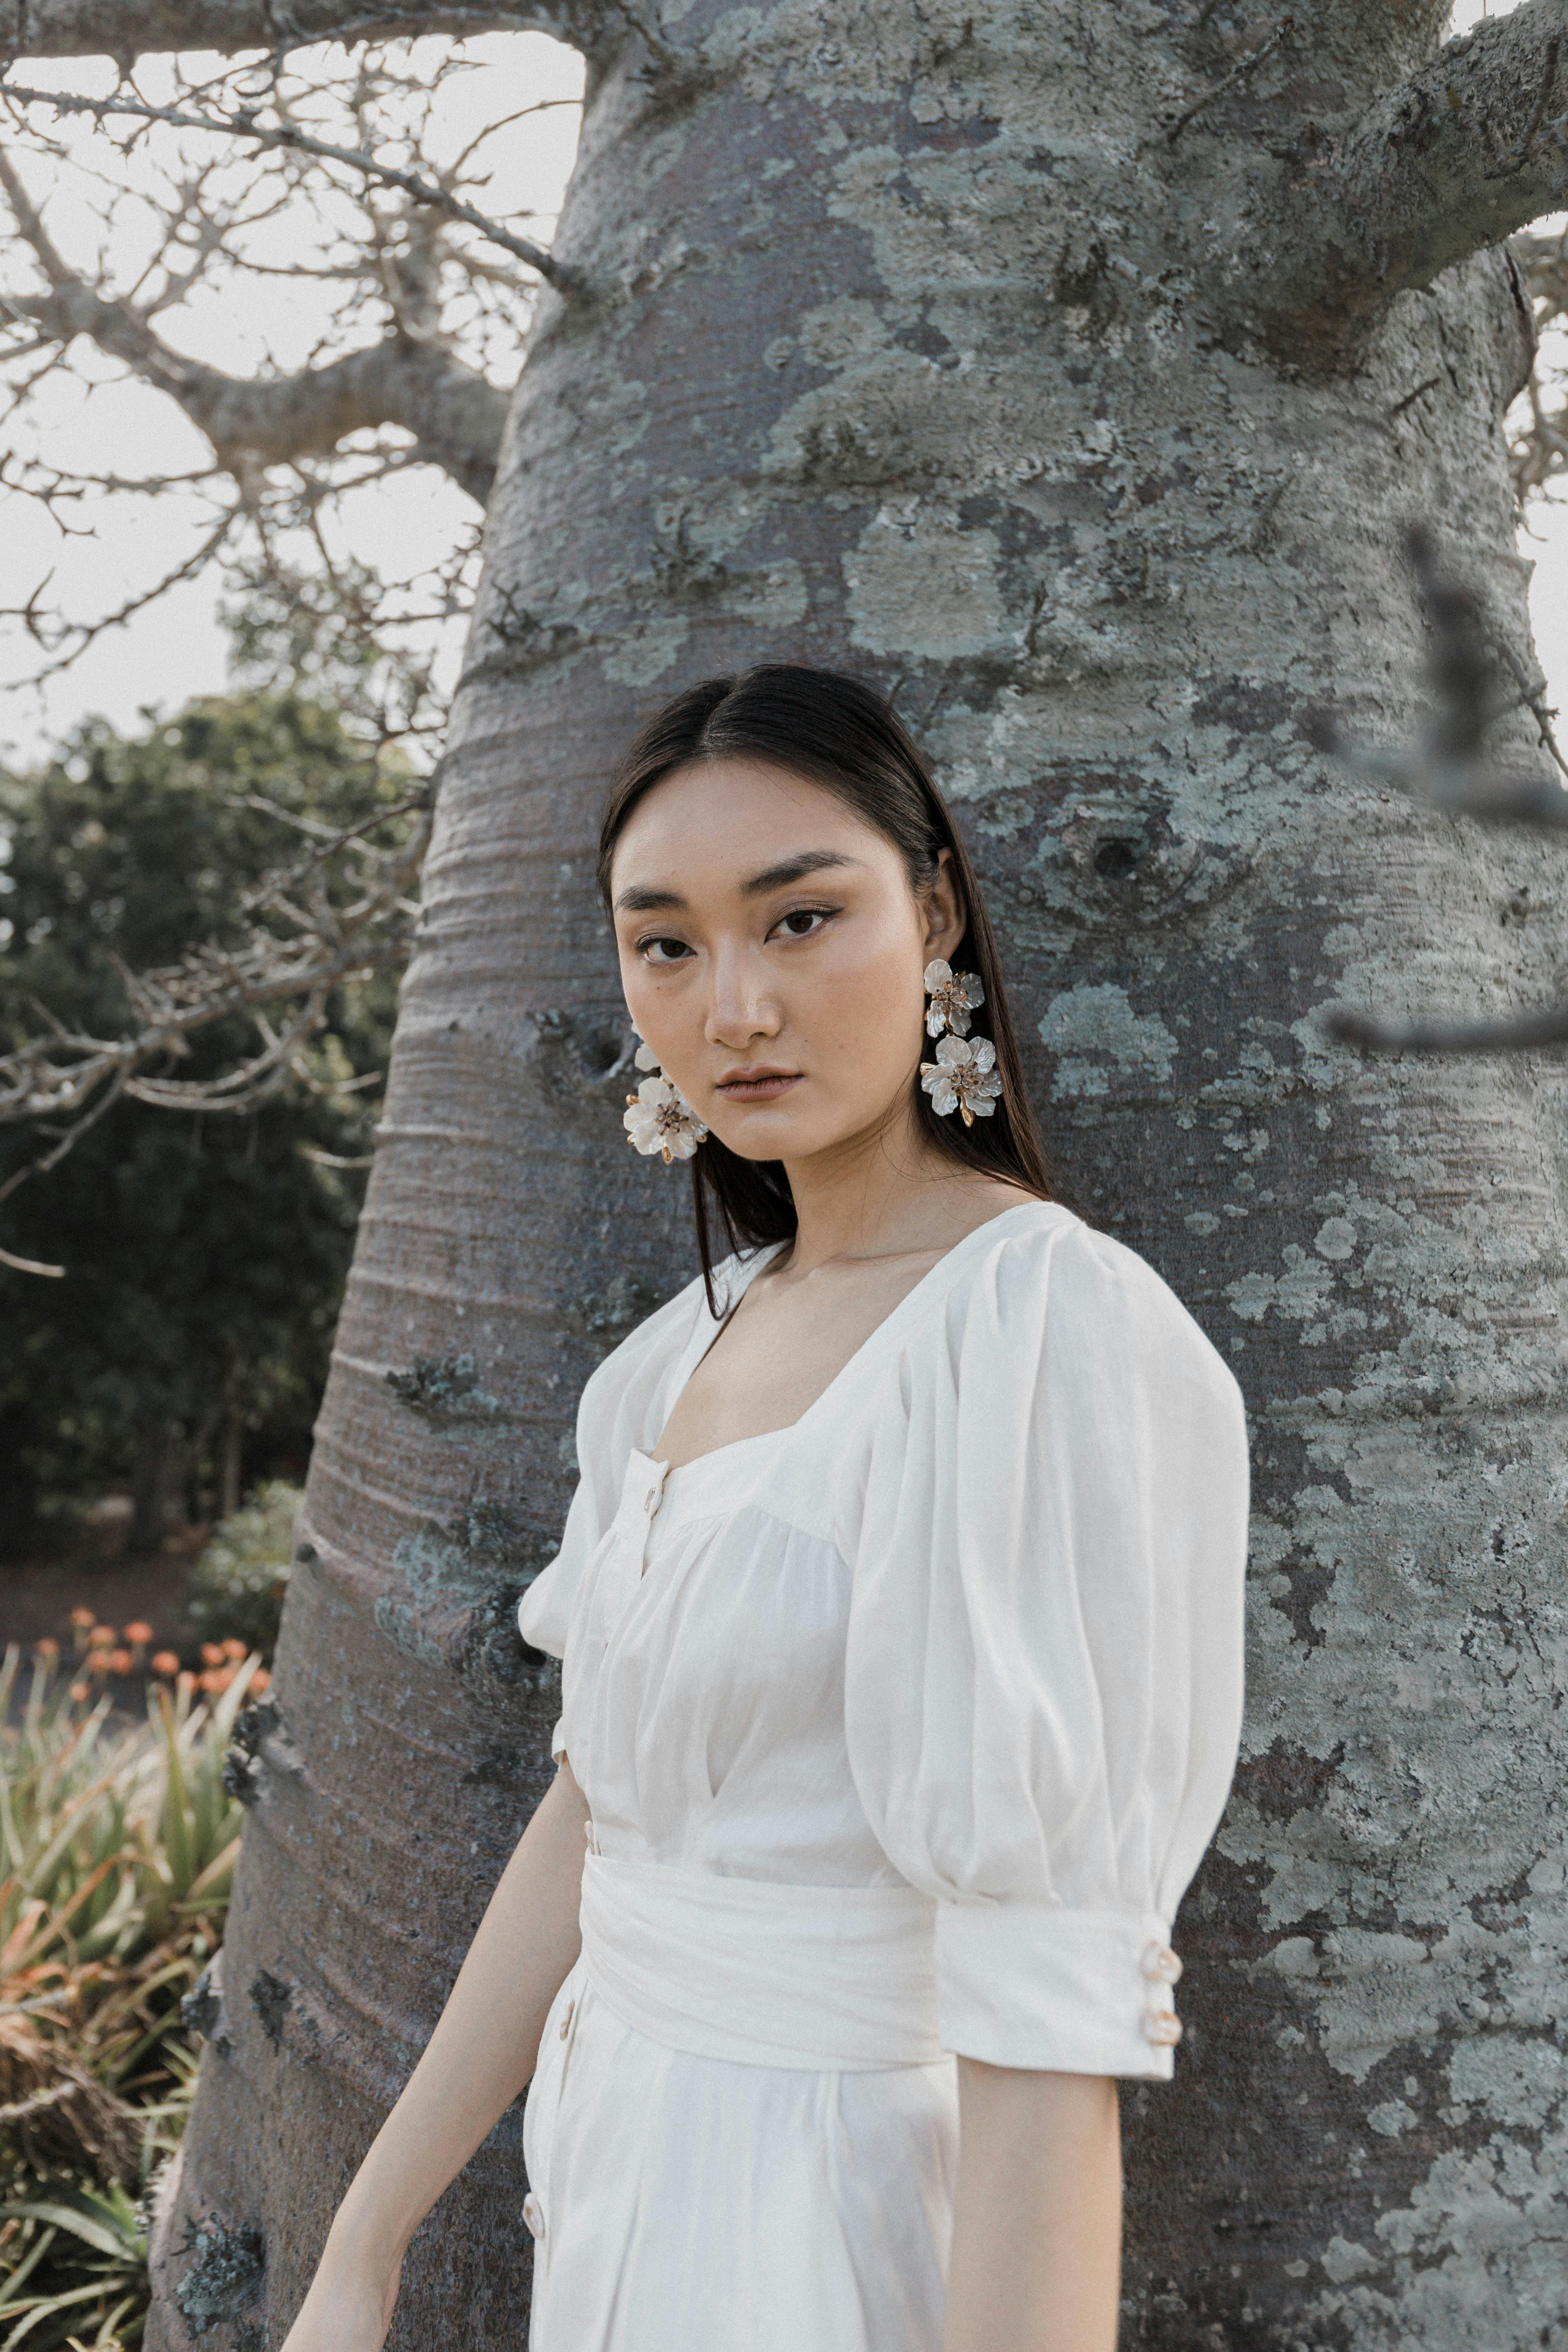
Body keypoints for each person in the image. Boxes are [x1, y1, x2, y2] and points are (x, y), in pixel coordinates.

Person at [280, 666, 1250, 2352]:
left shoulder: (1041, 1335)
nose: (732, 1006)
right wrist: (364, 2250)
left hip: (833, 2216)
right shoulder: (666, 1361)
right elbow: (601, 1817)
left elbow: (1049, 2008)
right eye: (666, 944)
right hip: (620, 2177)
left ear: (932, 914)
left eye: (799, 920)